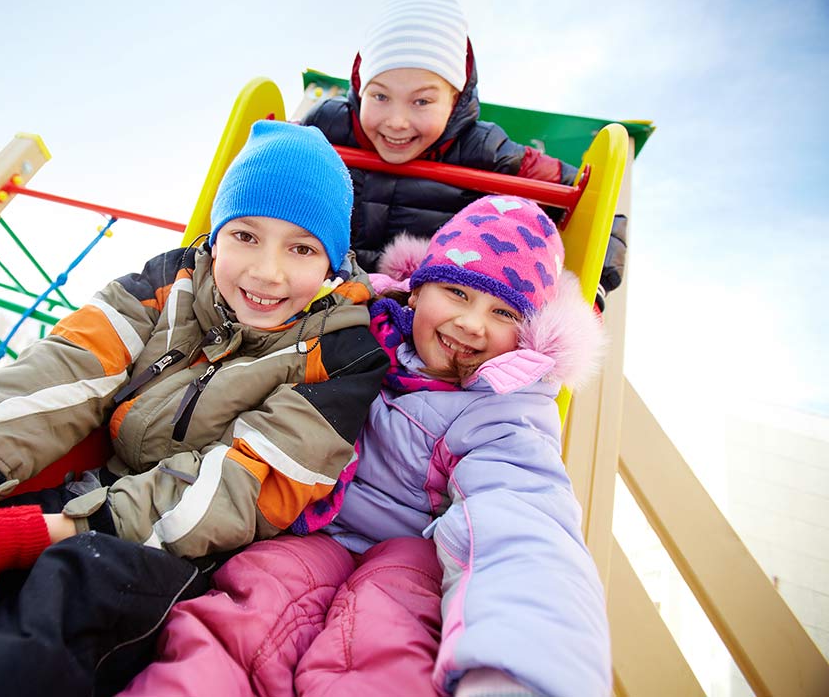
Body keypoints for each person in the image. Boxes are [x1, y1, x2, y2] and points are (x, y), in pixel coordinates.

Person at [0, 120, 390, 693]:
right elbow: (63, 373)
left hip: (184, 548)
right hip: (84, 494)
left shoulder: (344, 355)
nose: (267, 271)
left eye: (301, 248)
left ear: (332, 264)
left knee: (67, 597)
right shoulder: (166, 286)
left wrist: (32, 534)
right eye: (245, 235)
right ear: (214, 236)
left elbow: (242, 488)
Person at [119, 195, 612, 697]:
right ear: (416, 293)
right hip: (310, 531)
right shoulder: (353, 337)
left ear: (529, 336)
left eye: (504, 311)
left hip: (410, 556)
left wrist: (516, 673)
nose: (472, 323)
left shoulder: (506, 412)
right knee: (249, 608)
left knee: (383, 642)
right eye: (457, 293)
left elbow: (521, 526)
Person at [302, 0, 627, 310]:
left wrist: (594, 287)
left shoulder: (486, 150)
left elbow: (594, 205)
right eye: (380, 96)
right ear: (360, 87)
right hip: (322, 295)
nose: (397, 121)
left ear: (455, 98)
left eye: (422, 101)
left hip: (419, 313)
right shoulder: (328, 128)